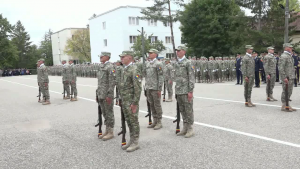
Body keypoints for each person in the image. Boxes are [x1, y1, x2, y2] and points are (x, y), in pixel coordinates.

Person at [119, 51, 142, 152]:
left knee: (133, 121)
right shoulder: (125, 69)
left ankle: (135, 142)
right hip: (125, 100)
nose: (121, 59)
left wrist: (134, 103)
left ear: (129, 57)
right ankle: (131, 140)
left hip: (131, 101)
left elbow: (138, 88)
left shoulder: (134, 69)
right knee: (129, 121)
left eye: (123, 57)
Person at [174, 45, 195, 138]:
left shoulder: (188, 62)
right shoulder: (177, 62)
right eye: (177, 51)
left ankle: (190, 128)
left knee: (188, 110)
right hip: (179, 90)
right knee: (182, 110)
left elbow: (191, 77)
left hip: (186, 90)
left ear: (184, 52)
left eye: (179, 51)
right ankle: (185, 127)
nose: (177, 52)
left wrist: (190, 91)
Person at [96, 52, 116, 141]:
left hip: (107, 94)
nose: (100, 57)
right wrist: (97, 93)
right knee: (104, 113)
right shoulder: (101, 67)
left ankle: (110, 131)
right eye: (100, 56)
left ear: (107, 57)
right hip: (101, 93)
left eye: (102, 56)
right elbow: (99, 82)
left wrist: (109, 95)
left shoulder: (110, 67)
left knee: (109, 113)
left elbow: (112, 82)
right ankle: (107, 130)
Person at [144, 49, 164, 130]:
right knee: (151, 105)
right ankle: (154, 120)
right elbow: (145, 75)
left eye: (151, 53)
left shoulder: (158, 64)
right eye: (149, 53)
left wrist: (159, 88)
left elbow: (161, 76)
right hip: (148, 87)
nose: (149, 54)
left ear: (155, 54)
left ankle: (159, 122)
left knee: (157, 105)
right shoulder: (148, 63)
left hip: (155, 88)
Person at [278, 43, 297, 112]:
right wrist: (284, 77)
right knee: (285, 91)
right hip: (287, 77)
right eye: (290, 47)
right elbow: (281, 68)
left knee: (289, 91)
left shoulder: (289, 56)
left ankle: (287, 104)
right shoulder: (284, 56)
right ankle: (284, 105)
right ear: (286, 48)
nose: (291, 49)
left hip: (290, 76)